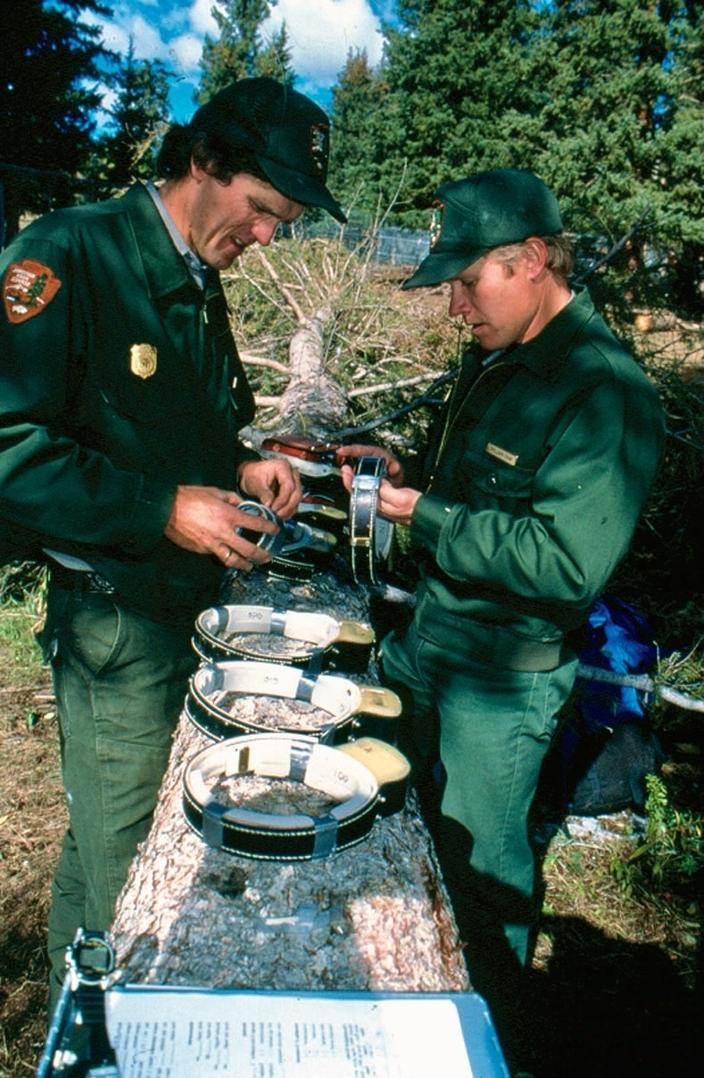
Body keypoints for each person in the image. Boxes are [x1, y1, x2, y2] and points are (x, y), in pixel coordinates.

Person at [0, 76, 346, 1010]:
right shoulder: (69, 253)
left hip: (182, 609)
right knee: (137, 866)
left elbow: (178, 428)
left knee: (102, 828)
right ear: (202, 164)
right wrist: (163, 509)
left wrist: (239, 469)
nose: (270, 236)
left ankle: (67, 1018)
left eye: (284, 219)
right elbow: (11, 447)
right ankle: (126, 1029)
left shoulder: (198, 272)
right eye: (263, 209)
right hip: (115, 621)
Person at [340, 168, 664, 1069]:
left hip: (501, 686)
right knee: (386, 834)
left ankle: (490, 1045)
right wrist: (399, 476)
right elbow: (473, 493)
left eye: (465, 282)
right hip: (426, 647)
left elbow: (565, 567)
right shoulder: (497, 360)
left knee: (482, 886)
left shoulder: (604, 391)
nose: (453, 308)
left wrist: (426, 517)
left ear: (529, 261)